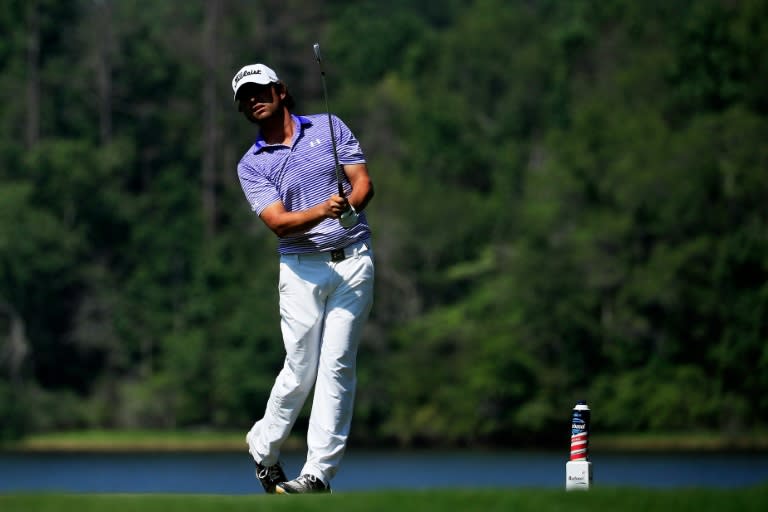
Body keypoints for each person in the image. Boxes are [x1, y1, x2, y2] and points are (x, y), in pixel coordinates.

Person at [231, 62, 375, 494]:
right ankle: (264, 444)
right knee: (300, 369)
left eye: (259, 91)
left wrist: (352, 205)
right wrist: (324, 210)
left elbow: (362, 182)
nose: (253, 100)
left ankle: (317, 475)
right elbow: (279, 223)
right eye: (244, 98)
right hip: (300, 270)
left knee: (337, 365)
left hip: (353, 263)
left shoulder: (329, 127)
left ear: (281, 91)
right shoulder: (252, 164)